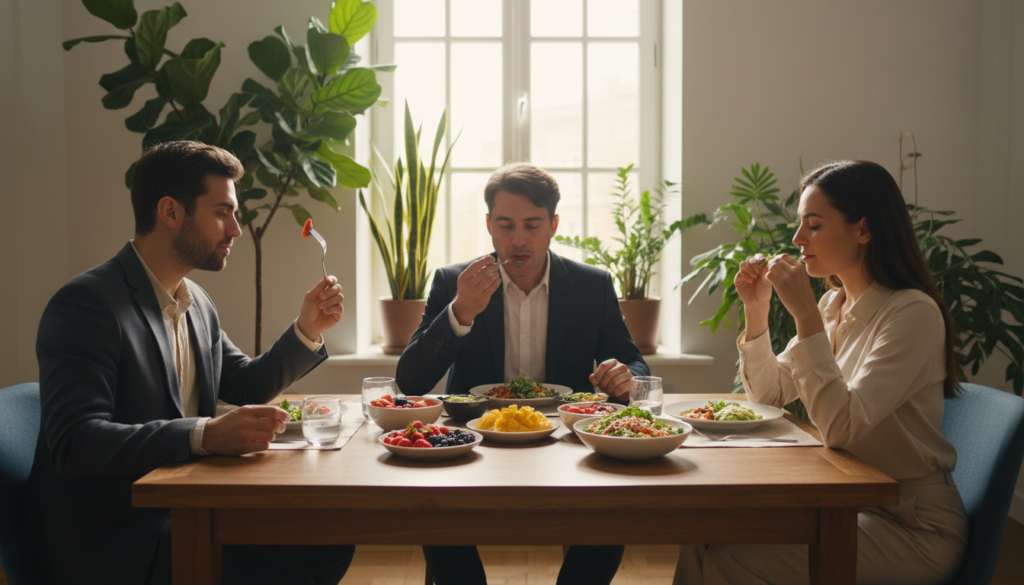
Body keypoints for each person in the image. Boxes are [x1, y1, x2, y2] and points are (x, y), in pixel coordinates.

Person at [25, 141, 354, 585]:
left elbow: (243, 383)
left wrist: (307, 329)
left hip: (184, 510)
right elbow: (76, 442)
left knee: (332, 539)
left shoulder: (195, 300)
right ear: (170, 212)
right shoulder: (87, 306)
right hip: (117, 537)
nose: (236, 229)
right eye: (222, 212)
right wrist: (204, 435)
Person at [673, 160, 968, 584]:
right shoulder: (835, 305)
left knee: (731, 557)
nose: (797, 239)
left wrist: (806, 318)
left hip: (910, 523)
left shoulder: (912, 314)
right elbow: (769, 397)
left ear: (863, 230)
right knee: (702, 530)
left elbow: (840, 427)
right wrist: (757, 311)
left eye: (813, 225)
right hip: (845, 502)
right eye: (799, 225)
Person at [396, 162, 649, 585]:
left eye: (532, 225)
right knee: (433, 509)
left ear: (553, 225)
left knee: (612, 514)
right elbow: (410, 383)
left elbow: (635, 365)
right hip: (472, 440)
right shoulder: (454, 282)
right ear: (489, 227)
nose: (518, 240)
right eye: (506, 225)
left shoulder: (591, 285)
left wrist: (623, 376)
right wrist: (460, 314)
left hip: (565, 441)